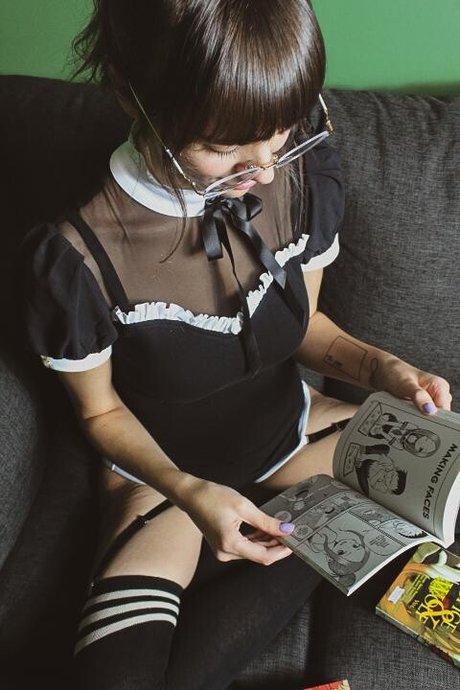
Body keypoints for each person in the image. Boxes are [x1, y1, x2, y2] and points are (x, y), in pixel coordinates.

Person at [21, 2, 452, 688]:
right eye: (227, 149)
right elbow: (100, 413)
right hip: (163, 482)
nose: (266, 171)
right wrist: (192, 492)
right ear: (131, 93)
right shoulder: (77, 259)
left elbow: (304, 326)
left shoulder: (301, 170)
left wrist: (383, 368)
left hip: (299, 436)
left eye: (279, 136)